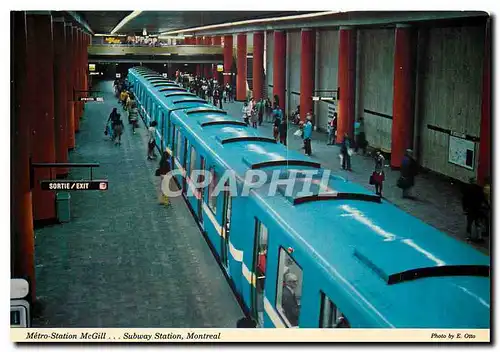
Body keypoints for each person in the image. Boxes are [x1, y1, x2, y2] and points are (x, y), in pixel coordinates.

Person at [462, 178, 486, 243]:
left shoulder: (467, 189)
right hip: (478, 208)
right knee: (478, 223)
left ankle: (468, 236)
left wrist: (464, 208)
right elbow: (483, 198)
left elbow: (464, 199)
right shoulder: (479, 189)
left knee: (469, 222)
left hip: (470, 209)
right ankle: (479, 237)